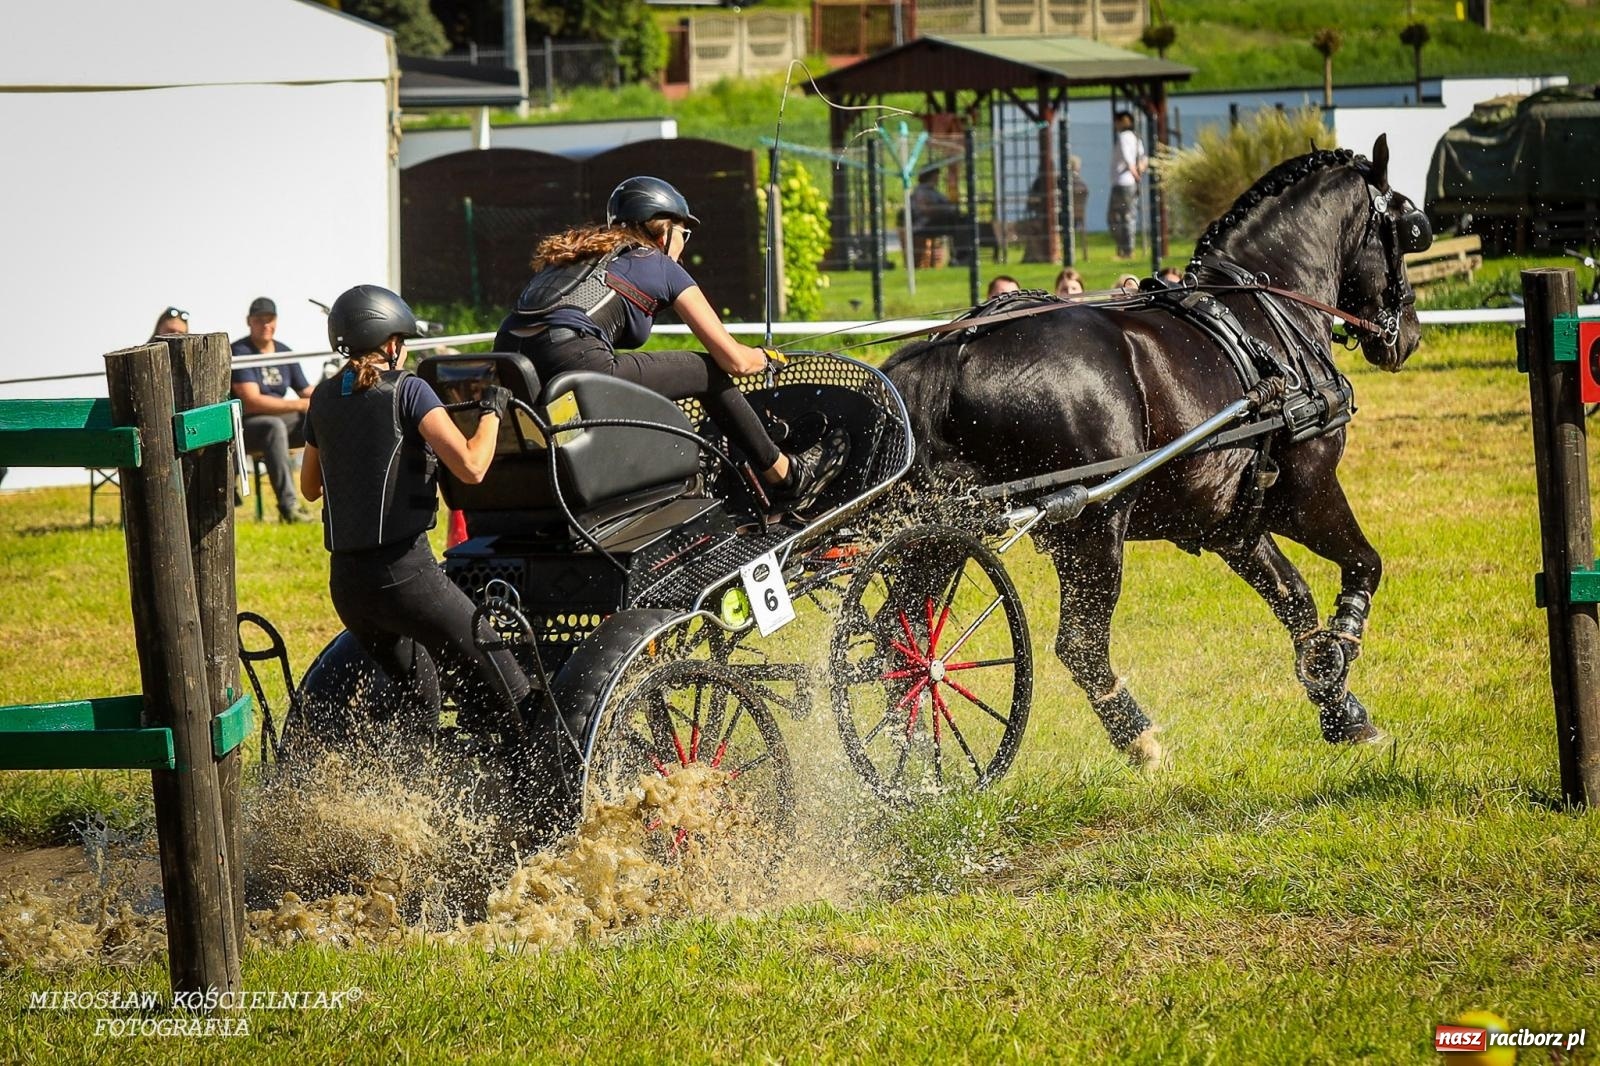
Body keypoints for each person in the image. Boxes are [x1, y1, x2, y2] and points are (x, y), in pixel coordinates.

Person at [300, 285, 570, 827]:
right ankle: (543, 815)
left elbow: (309, 487)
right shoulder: (410, 392)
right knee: (512, 688)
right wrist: (492, 411)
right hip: (406, 577)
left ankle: (410, 815)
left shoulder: (323, 398)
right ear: (391, 343)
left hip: (348, 589)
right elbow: (471, 467)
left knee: (416, 697)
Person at [495, 175, 847, 516]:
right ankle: (787, 475)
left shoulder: (580, 258)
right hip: (574, 357)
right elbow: (733, 361)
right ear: (662, 229)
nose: (684, 242)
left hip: (510, 357)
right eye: (684, 232)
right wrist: (764, 358)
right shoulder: (657, 263)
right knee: (704, 370)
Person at [231, 297, 313, 523]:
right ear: (249, 321)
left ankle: (335, 496)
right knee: (273, 426)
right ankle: (289, 508)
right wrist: (298, 405)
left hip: (279, 422)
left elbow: (306, 391)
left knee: (320, 420)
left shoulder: (284, 351)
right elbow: (251, 401)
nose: (266, 324)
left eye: (270, 319)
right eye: (259, 320)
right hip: (244, 427)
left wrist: (336, 389)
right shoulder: (240, 351)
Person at [1108, 110, 1146, 260]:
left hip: (1122, 183)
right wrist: (1138, 173)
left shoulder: (1124, 138)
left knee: (1116, 217)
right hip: (1129, 183)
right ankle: (1125, 250)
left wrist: (1135, 174)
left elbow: (1128, 159)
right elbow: (1144, 159)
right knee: (1127, 216)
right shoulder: (1136, 138)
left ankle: (1126, 250)